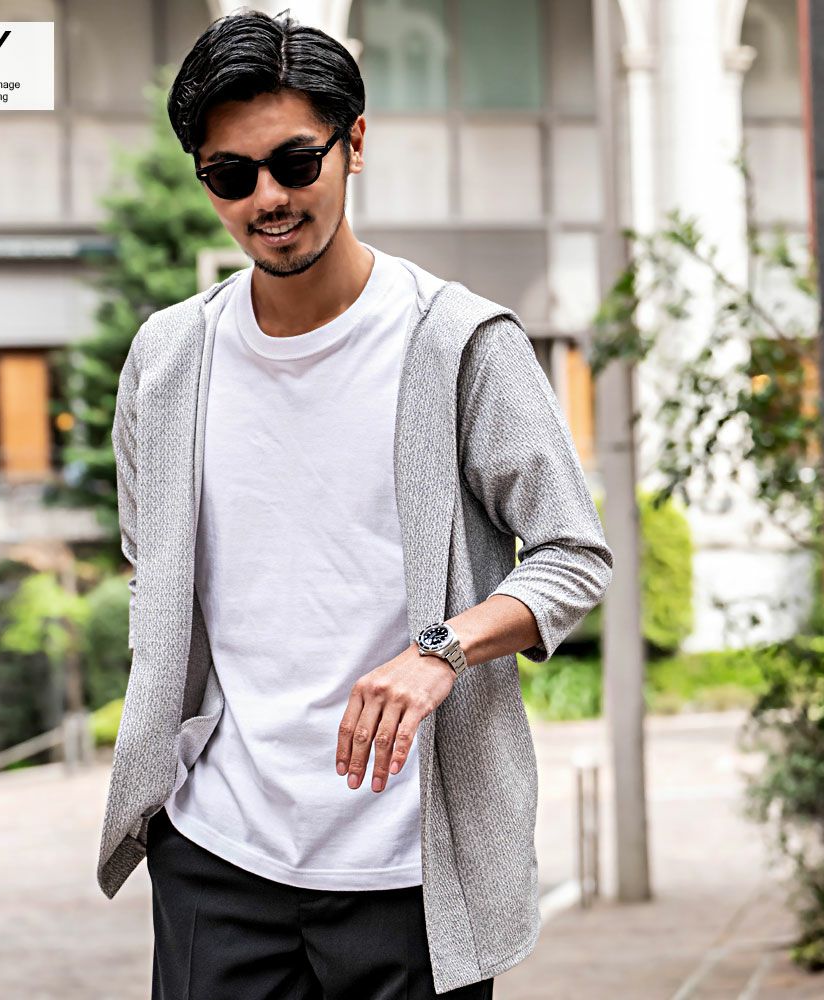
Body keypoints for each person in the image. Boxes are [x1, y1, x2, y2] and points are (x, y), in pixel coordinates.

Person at [96, 8, 613, 999]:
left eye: (296, 162)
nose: (268, 198)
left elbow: (571, 552)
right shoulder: (167, 360)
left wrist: (441, 650)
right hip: (217, 854)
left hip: (407, 871)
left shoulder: (458, 343)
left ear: (355, 142)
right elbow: (149, 562)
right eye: (230, 175)